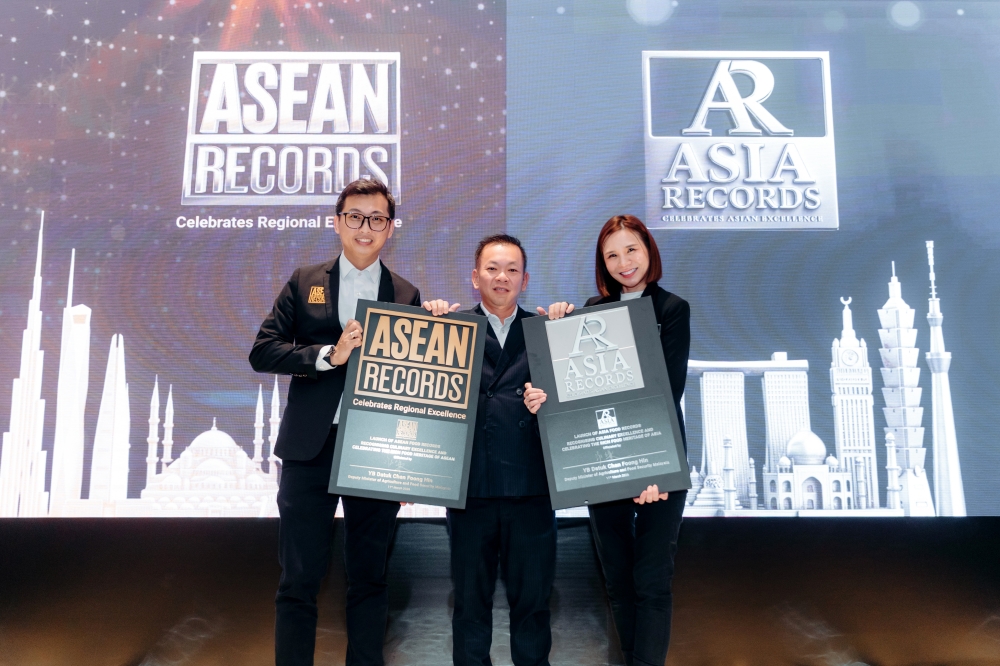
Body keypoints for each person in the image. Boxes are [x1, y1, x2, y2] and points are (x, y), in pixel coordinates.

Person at [250, 178, 428, 666]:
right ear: (337, 222)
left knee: (370, 579)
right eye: (355, 216)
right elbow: (262, 351)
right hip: (310, 449)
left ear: (390, 229)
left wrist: (409, 459)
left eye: (376, 219)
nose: (364, 227)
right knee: (299, 580)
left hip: (374, 450)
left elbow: (415, 383)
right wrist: (330, 354)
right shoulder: (304, 278)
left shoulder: (406, 293)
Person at [523, 214, 690, 666]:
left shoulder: (672, 309)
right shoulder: (591, 312)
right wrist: (557, 323)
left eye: (631, 250)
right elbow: (569, 388)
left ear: (648, 250)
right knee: (617, 577)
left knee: (652, 578)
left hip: (656, 456)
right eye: (612, 255)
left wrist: (649, 466)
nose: (624, 262)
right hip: (603, 458)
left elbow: (667, 389)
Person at [423, 234, 556, 666]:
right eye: (493, 268)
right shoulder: (447, 328)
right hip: (470, 491)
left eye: (512, 269)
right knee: (470, 610)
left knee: (533, 609)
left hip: (532, 489)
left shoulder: (548, 332)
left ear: (525, 278)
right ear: (475, 276)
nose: (502, 277)